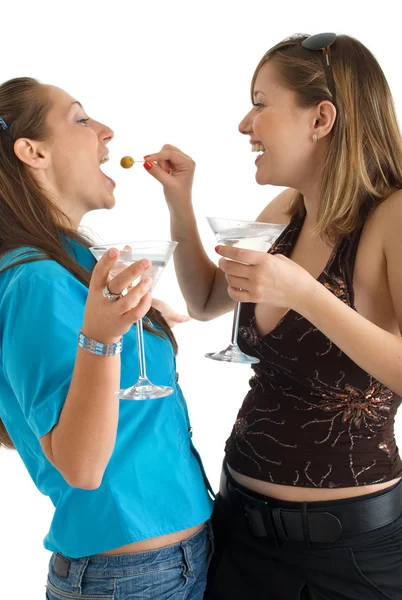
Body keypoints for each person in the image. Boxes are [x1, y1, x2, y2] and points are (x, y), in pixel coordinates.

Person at [144, 33, 402, 599]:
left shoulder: (392, 216)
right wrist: (179, 201)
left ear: (321, 118)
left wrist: (306, 292)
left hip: (347, 555)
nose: (245, 124)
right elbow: (207, 301)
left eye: (261, 103)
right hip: (238, 532)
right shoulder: (288, 210)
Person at [0, 77, 214, 600]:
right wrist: (101, 337)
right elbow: (82, 465)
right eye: (79, 119)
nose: (105, 132)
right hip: (133, 579)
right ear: (33, 152)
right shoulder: (32, 282)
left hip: (181, 558)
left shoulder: (67, 268)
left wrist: (134, 321)